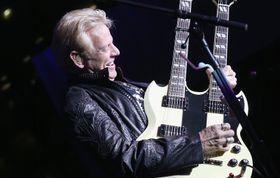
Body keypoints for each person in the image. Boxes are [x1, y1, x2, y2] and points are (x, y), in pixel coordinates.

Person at [51, 8, 237, 178]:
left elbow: (179, 118)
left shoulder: (124, 85)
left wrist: (214, 85)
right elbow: (125, 159)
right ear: (77, 59)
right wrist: (198, 144)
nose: (116, 51)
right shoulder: (78, 99)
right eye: (104, 48)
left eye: (112, 44)